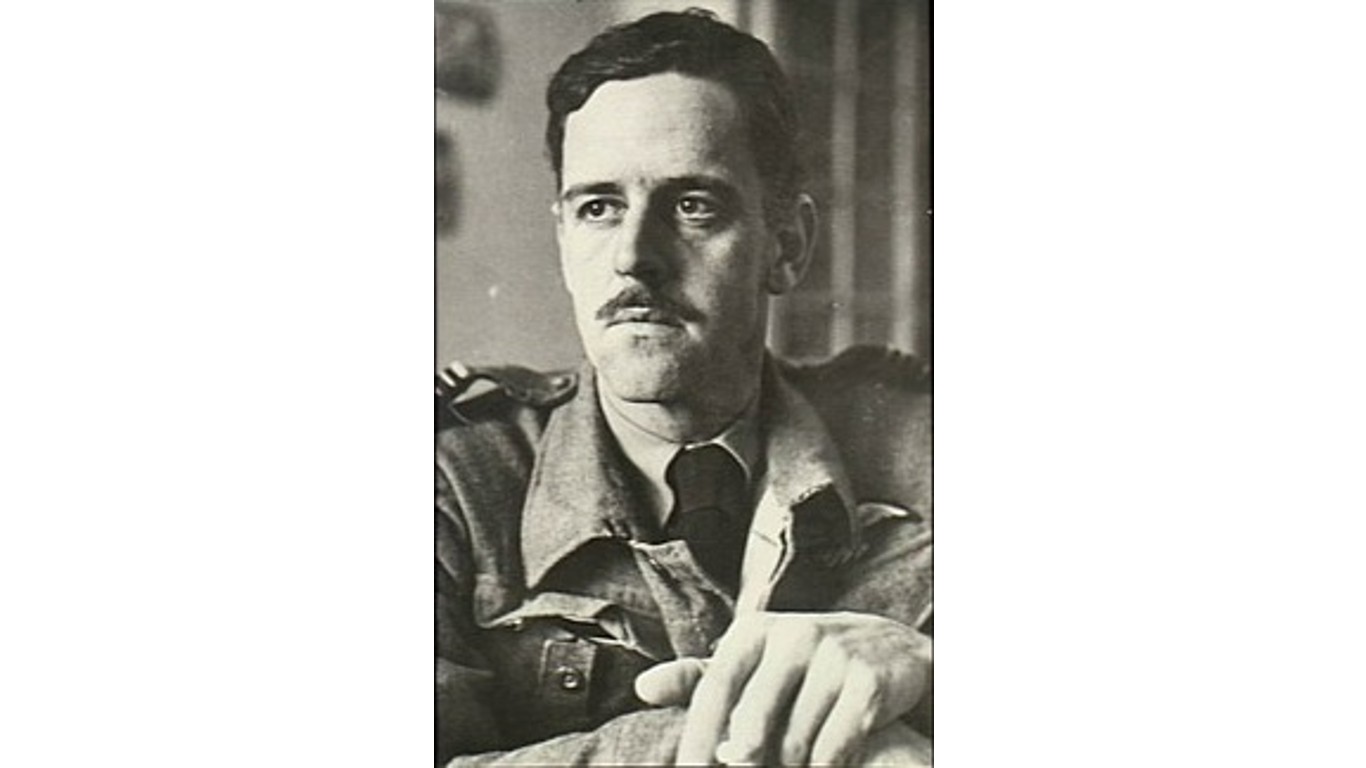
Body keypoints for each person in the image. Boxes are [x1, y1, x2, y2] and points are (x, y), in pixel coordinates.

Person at [436, 9, 932, 765]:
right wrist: (725, 742)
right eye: (599, 208)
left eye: (693, 205)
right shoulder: (453, 480)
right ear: (565, 241)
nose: (634, 256)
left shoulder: (924, 450)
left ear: (787, 246)